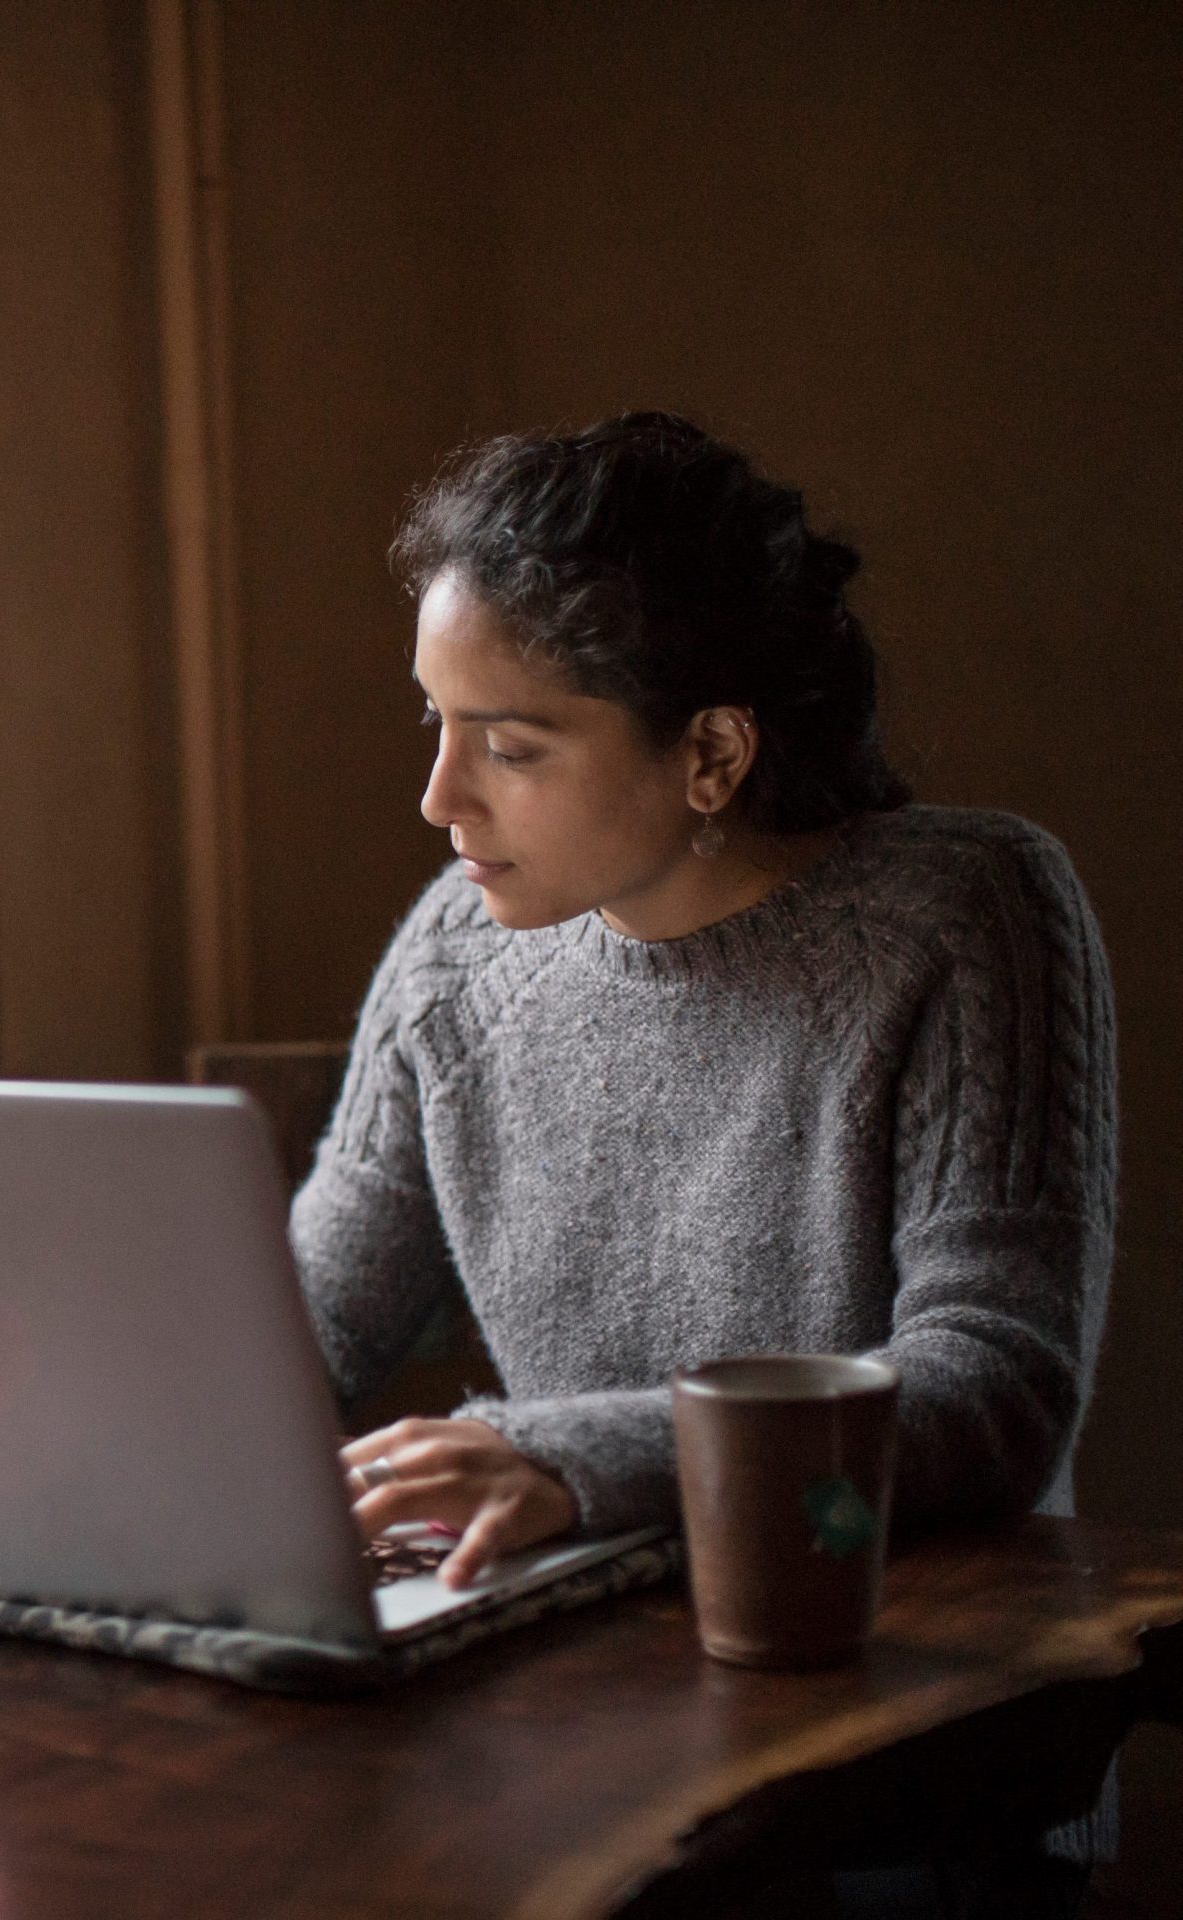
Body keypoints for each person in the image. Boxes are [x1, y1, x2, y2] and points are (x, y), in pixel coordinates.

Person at [295, 412, 1116, 1596]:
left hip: (900, 1674)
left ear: (713, 755)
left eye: (510, 747)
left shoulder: (963, 913)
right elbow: (306, 1333)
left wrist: (568, 1457)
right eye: (438, 721)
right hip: (577, 1674)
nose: (438, 799)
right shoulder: (452, 955)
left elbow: (993, 1390)